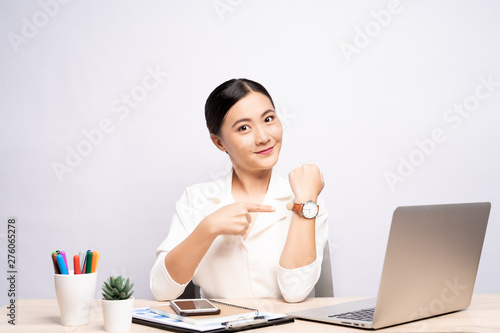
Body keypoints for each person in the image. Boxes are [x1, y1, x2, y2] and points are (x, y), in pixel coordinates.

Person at [150, 78, 328, 303]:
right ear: (219, 143)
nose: (264, 137)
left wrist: (305, 202)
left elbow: (295, 291)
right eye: (244, 128)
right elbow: (161, 290)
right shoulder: (196, 199)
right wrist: (208, 228)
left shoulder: (306, 197)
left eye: (269, 119)